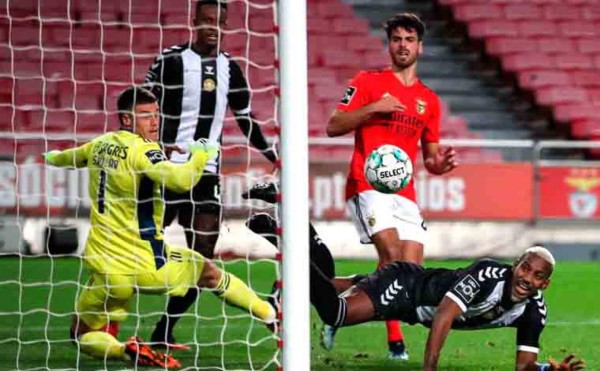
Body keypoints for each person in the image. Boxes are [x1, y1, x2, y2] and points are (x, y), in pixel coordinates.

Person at [43, 87, 277, 368]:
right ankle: (271, 315)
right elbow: (179, 180)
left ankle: (124, 350)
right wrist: (201, 155)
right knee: (209, 273)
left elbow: (68, 157)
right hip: (147, 262)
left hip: (105, 266)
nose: (154, 122)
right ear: (127, 120)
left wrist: (50, 156)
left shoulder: (100, 145)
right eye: (145, 116)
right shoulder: (144, 150)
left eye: (156, 115)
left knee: (81, 334)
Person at [144, 0, 278, 347]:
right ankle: (103, 323)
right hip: (163, 171)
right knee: (137, 250)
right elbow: (143, 107)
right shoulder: (170, 60)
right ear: (194, 21)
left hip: (205, 176)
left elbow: (245, 118)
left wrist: (271, 152)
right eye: (205, 21)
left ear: (225, 24)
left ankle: (164, 330)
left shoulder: (230, 69)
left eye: (217, 22)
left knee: (202, 258)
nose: (211, 28)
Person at [324, 13, 458, 359]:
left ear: (420, 47)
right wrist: (373, 108)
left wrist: (439, 166)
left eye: (409, 40)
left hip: (405, 193)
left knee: (409, 276)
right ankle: (395, 343)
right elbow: (334, 125)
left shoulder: (429, 100)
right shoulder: (368, 82)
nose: (403, 45)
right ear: (389, 45)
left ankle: (333, 302)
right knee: (393, 258)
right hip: (367, 183)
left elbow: (429, 157)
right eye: (396, 39)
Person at [311, 246, 586, 371]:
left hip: (412, 308)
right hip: (406, 288)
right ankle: (294, 255)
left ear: (545, 283)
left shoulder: (534, 312)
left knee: (332, 285)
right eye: (525, 267)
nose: (527, 278)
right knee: (336, 314)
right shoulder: (487, 274)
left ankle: (308, 250)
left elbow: (523, 366)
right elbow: (444, 314)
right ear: (515, 265)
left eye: (537, 276)